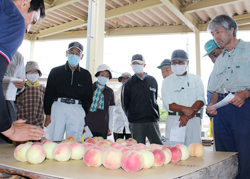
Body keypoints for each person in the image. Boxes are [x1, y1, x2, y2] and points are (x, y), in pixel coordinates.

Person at [206, 14, 250, 179]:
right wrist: (212, 105)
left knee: (245, 155)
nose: (216, 37)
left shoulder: (249, 49)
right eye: (213, 34)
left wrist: (246, 93)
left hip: (243, 108)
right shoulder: (220, 60)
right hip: (222, 111)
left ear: (231, 30)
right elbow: (215, 89)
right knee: (224, 156)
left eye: (218, 32)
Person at [0, 0, 46, 141]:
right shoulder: (13, 18)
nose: (27, 29)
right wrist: (9, 129)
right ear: (25, 2)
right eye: (32, 21)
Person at [44, 42, 93, 142]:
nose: (74, 55)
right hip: (58, 106)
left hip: (77, 108)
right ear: (67, 53)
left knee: (75, 139)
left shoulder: (86, 74)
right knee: (55, 136)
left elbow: (88, 97)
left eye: (77, 53)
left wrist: (83, 112)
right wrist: (47, 115)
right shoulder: (55, 72)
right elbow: (48, 94)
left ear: (82, 56)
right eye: (71, 52)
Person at [161, 49, 205, 147]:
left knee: (194, 151)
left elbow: (201, 99)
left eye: (180, 62)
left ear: (187, 63)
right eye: (174, 63)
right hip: (175, 122)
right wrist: (184, 110)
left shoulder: (196, 79)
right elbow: (169, 104)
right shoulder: (167, 82)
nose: (177, 65)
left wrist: (186, 115)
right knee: (175, 152)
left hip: (193, 121)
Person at [121, 54, 162, 145]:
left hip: (152, 120)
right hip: (136, 122)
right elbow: (125, 104)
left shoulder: (152, 80)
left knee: (158, 147)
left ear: (144, 65)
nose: (137, 65)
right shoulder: (128, 84)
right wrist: (132, 117)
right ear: (131, 66)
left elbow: (154, 100)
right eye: (134, 63)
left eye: (139, 63)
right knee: (138, 149)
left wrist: (155, 116)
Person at [0, 51, 25, 143]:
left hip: (7, 102)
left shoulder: (18, 56)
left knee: (6, 140)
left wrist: (20, 86)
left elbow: (21, 81)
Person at [85, 64, 115, 139]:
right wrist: (83, 125)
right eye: (102, 74)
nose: (104, 77)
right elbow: (83, 107)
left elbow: (111, 111)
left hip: (102, 127)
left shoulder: (110, 91)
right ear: (97, 75)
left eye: (107, 76)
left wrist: (110, 126)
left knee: (101, 148)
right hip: (88, 126)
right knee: (88, 148)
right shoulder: (88, 88)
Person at [15, 61, 45, 129]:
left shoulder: (43, 89)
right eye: (30, 72)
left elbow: (46, 106)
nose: (32, 74)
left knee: (37, 138)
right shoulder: (20, 88)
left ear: (38, 74)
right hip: (22, 122)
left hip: (38, 122)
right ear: (25, 74)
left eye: (35, 72)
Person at [113, 72, 132, 141]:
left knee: (131, 147)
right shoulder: (115, 94)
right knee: (118, 147)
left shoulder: (135, 94)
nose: (125, 80)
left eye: (127, 79)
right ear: (121, 81)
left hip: (130, 127)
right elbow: (111, 110)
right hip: (118, 126)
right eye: (123, 79)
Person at [203, 39, 223, 104]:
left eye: (215, 55)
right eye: (211, 57)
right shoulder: (213, 75)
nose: (214, 60)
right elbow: (210, 95)